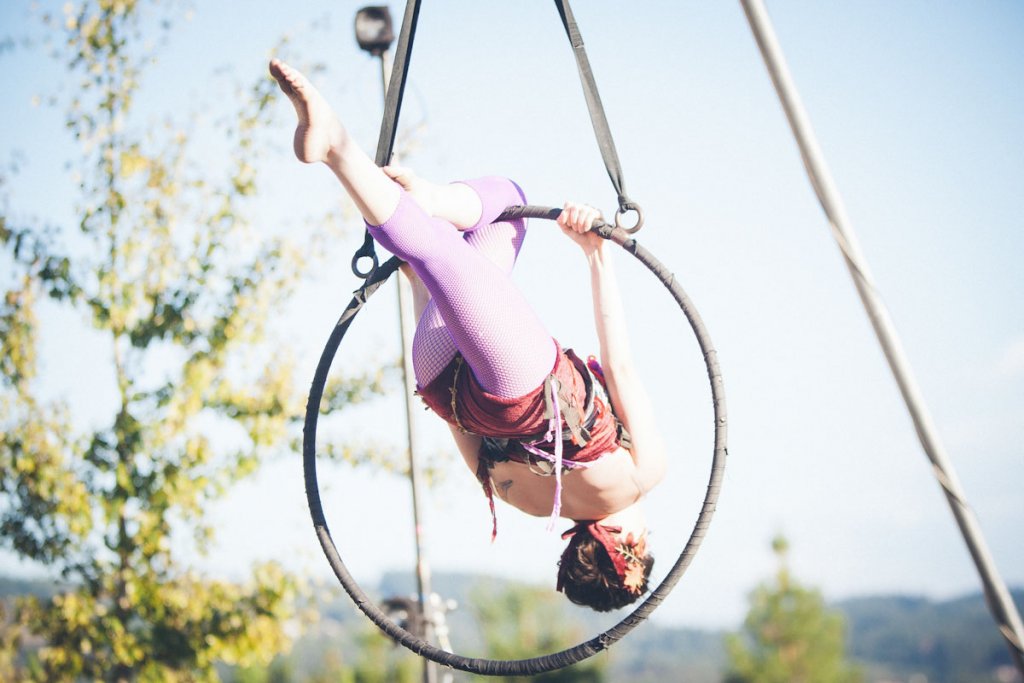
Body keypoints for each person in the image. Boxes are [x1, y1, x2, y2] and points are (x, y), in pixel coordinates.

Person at [270, 59, 667, 611]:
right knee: (504, 210)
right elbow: (460, 427)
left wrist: (598, 258)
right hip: (441, 374)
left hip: (522, 382)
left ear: (634, 544)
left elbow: (619, 366)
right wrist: (422, 295)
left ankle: (337, 147)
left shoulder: (644, 476)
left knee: (436, 248)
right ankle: (425, 203)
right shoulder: (525, 504)